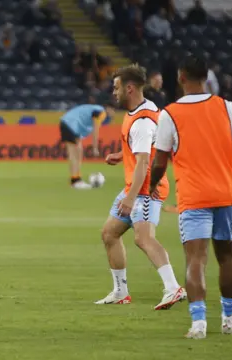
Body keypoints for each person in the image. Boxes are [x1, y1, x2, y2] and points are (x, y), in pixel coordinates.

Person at [149, 56, 232, 339]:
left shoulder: (169, 114)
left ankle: (198, 324)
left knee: (196, 260)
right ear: (206, 76)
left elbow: (160, 161)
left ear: (181, 76)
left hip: (193, 196)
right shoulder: (227, 107)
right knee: (227, 258)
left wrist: (152, 184)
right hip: (226, 194)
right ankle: (229, 317)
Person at [95, 64, 186, 310]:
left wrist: (131, 198)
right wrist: (121, 155)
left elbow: (145, 162)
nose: (113, 93)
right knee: (109, 234)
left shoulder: (142, 121)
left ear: (130, 88)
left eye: (116, 88)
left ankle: (173, 287)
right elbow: (143, 152)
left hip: (146, 189)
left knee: (143, 238)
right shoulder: (141, 111)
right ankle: (120, 291)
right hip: (135, 186)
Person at [59, 102, 115, 189]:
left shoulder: (95, 108)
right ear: (109, 108)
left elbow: (83, 121)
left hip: (70, 124)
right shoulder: (101, 112)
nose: (113, 113)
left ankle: (77, 179)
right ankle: (75, 181)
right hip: (69, 124)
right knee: (73, 154)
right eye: (113, 110)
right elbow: (95, 130)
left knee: (78, 152)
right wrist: (95, 148)